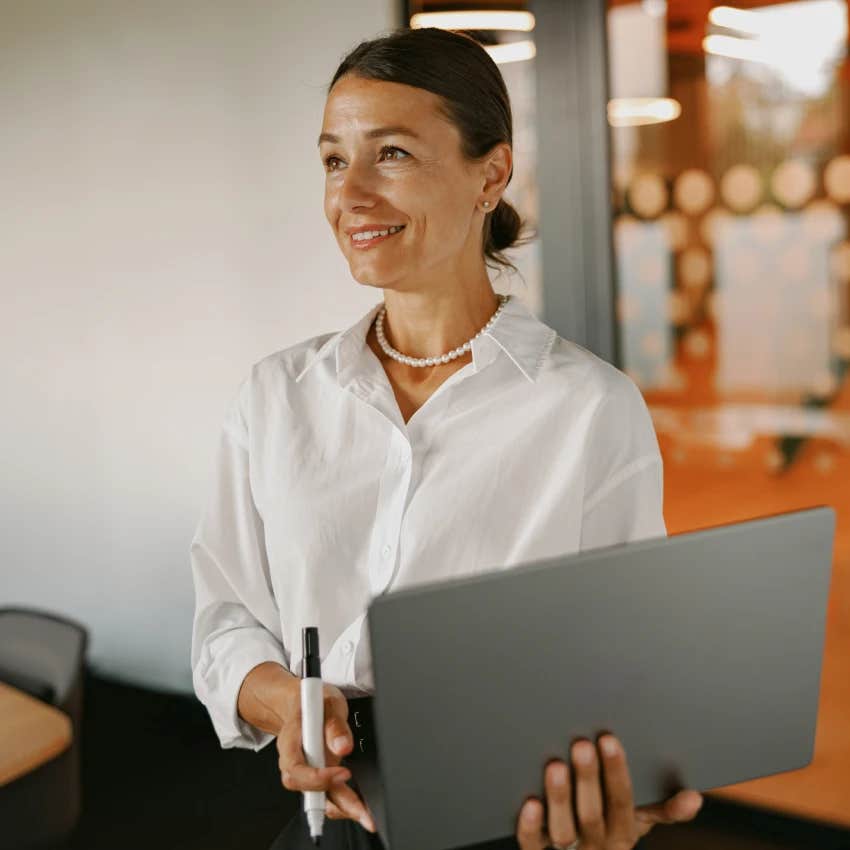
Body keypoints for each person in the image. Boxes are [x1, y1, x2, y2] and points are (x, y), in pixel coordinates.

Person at [189, 26, 704, 850]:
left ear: (490, 174)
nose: (349, 194)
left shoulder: (590, 408)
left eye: (389, 154)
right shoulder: (275, 396)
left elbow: (625, 661)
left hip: (513, 824)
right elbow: (226, 614)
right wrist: (282, 698)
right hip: (334, 825)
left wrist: (627, 787)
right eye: (332, 159)